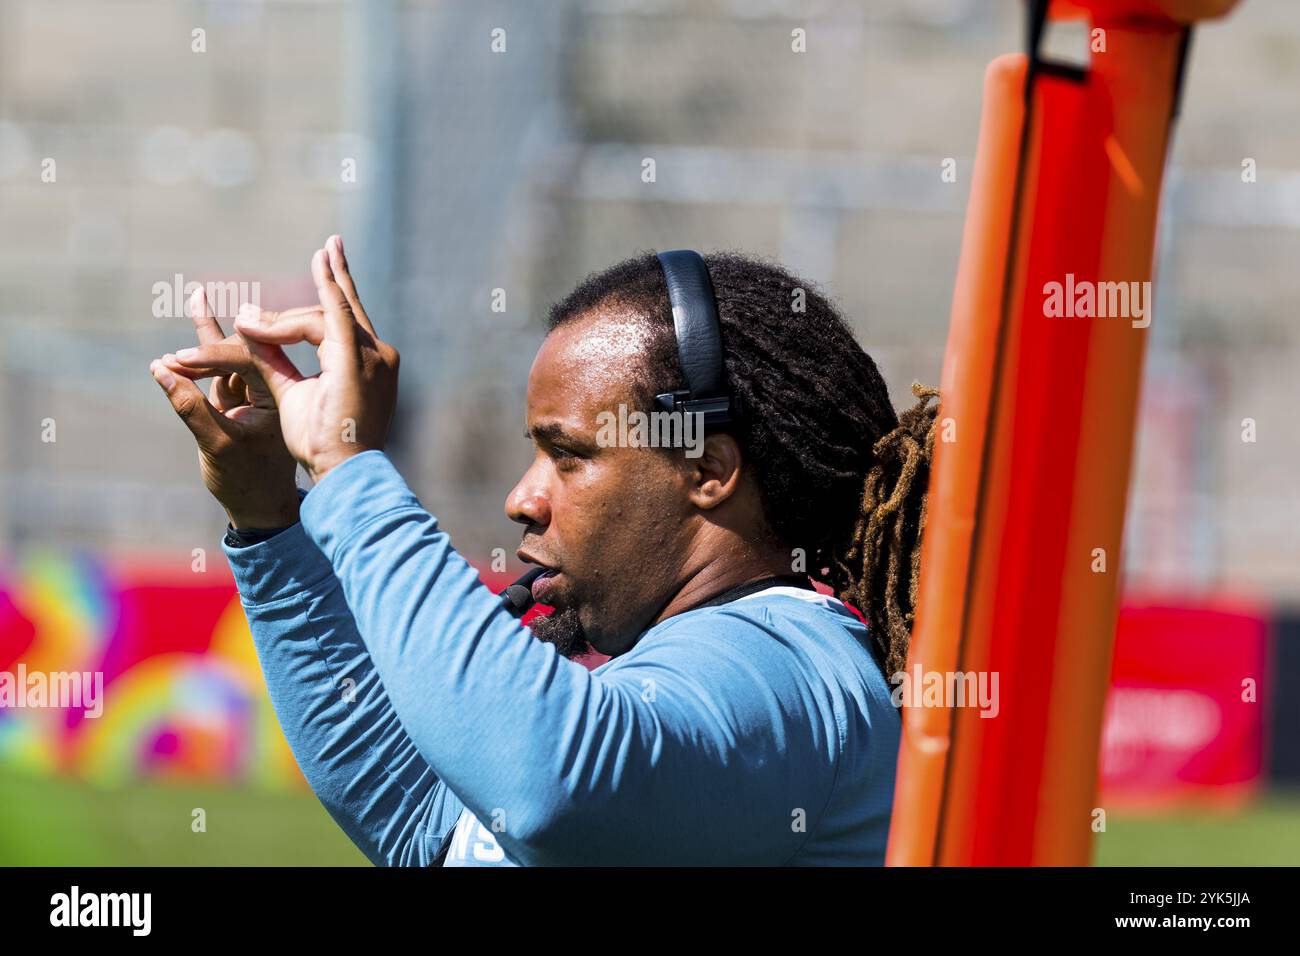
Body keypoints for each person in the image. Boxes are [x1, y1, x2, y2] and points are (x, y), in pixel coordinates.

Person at [149, 235, 939, 866]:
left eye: (567, 455)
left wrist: (350, 472)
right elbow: (430, 828)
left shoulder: (789, 669)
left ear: (706, 471)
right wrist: (272, 520)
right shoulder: (727, 655)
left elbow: (551, 781)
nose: (522, 499)